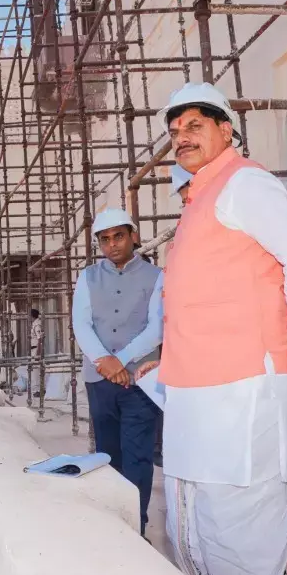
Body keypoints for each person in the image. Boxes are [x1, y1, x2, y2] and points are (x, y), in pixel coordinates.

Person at [152, 82, 287, 575]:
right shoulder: (200, 199)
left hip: (244, 385)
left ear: (227, 128)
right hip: (198, 386)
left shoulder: (245, 183)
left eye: (195, 125)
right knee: (196, 511)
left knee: (241, 511)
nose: (182, 138)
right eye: (175, 132)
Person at [71, 207, 164, 537]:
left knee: (138, 457)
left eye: (119, 236)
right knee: (107, 456)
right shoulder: (88, 277)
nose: (112, 244)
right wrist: (104, 362)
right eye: (105, 239)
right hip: (100, 380)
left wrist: (120, 361)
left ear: (133, 236)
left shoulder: (157, 277)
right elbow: (80, 324)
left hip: (141, 380)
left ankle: (135, 526)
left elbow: (157, 329)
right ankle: (113, 526)